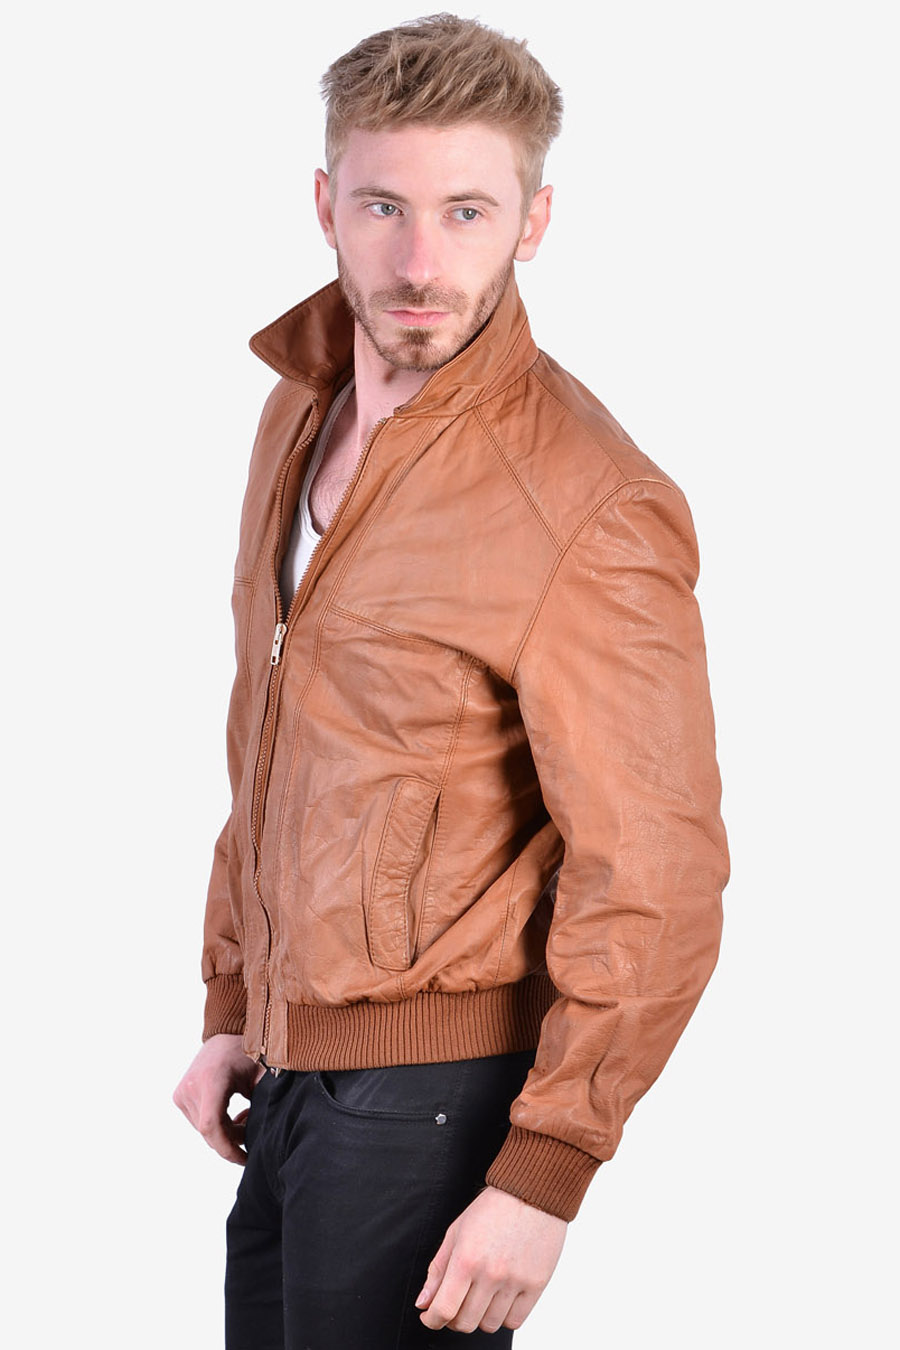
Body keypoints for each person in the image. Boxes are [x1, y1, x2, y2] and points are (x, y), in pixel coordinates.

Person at [173, 14, 729, 1347]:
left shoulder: (586, 500)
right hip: (292, 1076)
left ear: (534, 221)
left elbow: (656, 870)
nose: (421, 262)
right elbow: (281, 742)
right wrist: (238, 1002)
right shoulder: (297, 412)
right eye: (385, 207)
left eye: (467, 211)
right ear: (325, 205)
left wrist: (546, 1171)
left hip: (437, 1099)